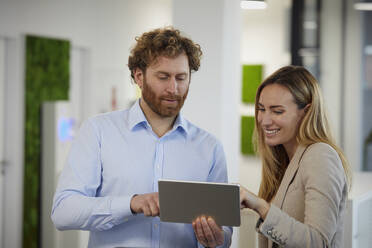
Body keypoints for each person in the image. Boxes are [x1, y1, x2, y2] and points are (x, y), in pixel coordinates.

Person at [51, 27, 232, 248]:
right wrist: (131, 203)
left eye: (181, 78)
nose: (173, 89)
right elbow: (63, 212)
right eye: (163, 77)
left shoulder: (210, 148)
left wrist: (215, 240)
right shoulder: (98, 131)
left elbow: (224, 233)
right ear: (139, 76)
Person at [239, 65, 352, 248]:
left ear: (306, 112)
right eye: (261, 109)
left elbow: (317, 242)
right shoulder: (285, 159)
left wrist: (261, 206)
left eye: (277, 111)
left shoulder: (321, 156)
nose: (265, 120)